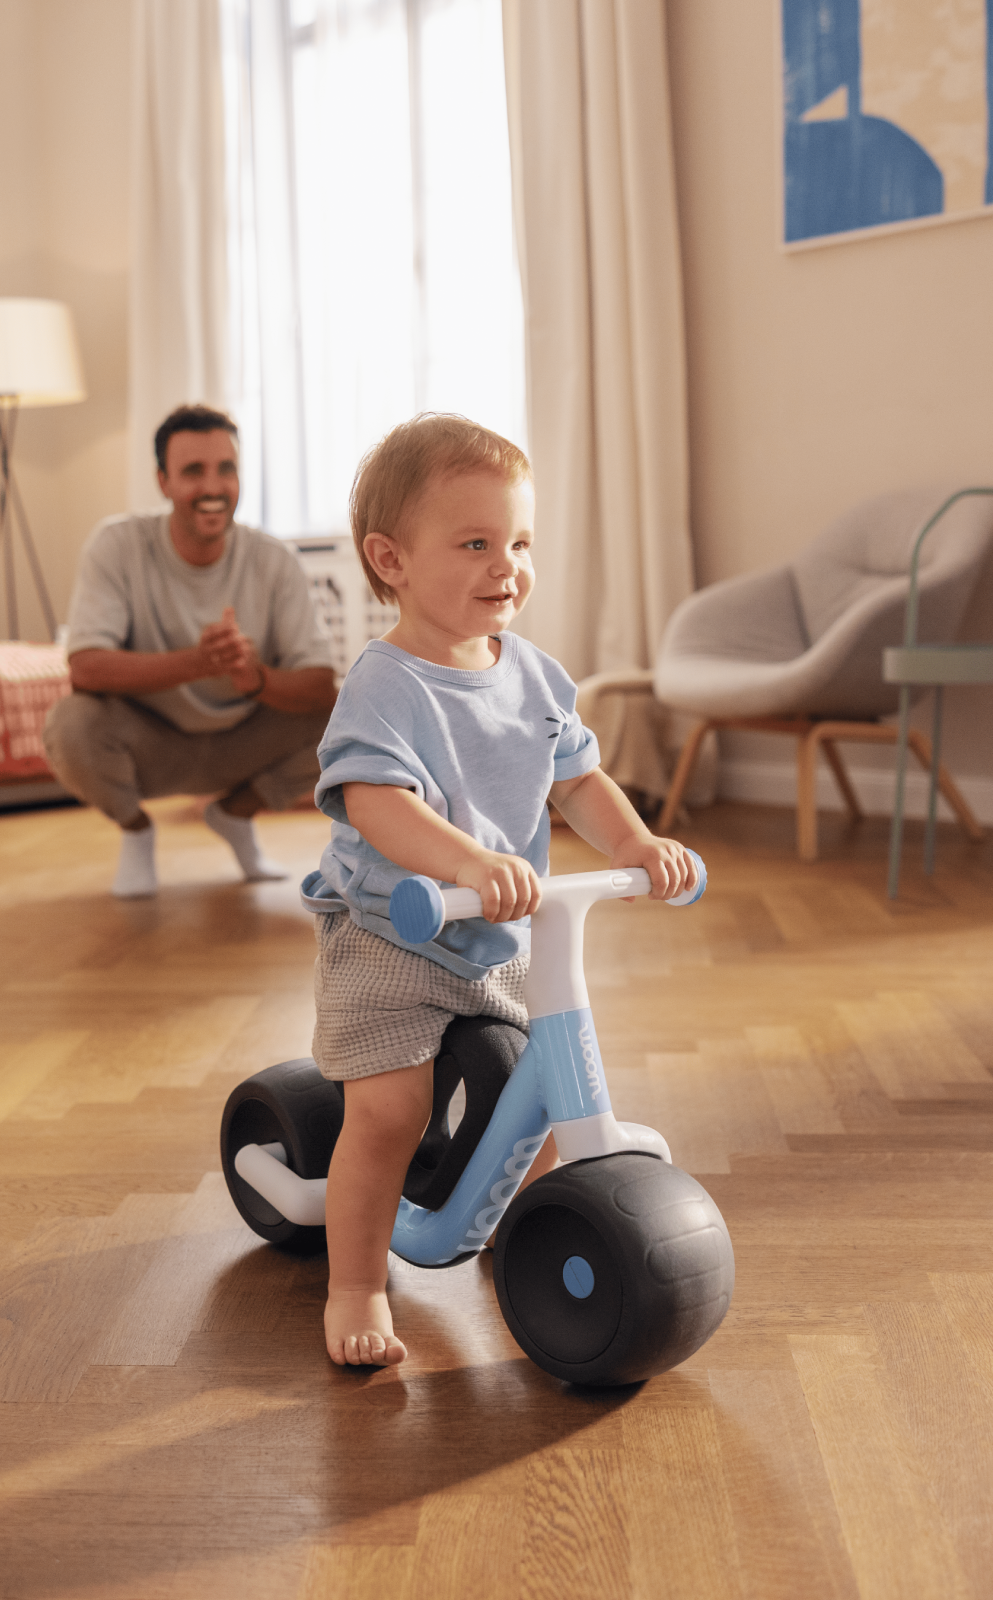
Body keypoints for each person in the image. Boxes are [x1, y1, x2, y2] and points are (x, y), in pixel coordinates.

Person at [300, 414, 692, 1368]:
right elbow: (375, 801)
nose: (506, 567)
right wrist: (468, 863)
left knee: (543, 1103)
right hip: (394, 934)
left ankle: (525, 1233)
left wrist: (637, 844)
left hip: (501, 936)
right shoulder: (386, 685)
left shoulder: (536, 677)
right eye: (475, 544)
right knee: (390, 1115)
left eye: (519, 543)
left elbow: (578, 780)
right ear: (390, 559)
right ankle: (355, 1285)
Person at [49, 405, 338, 898]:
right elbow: (85, 669)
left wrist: (255, 678)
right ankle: (136, 830)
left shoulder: (274, 559)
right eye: (193, 471)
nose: (213, 486)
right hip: (152, 743)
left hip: (245, 738)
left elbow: (320, 687)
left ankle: (234, 815)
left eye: (226, 469)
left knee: (354, 713)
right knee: (70, 724)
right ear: (162, 481)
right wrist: (197, 663)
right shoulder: (116, 544)